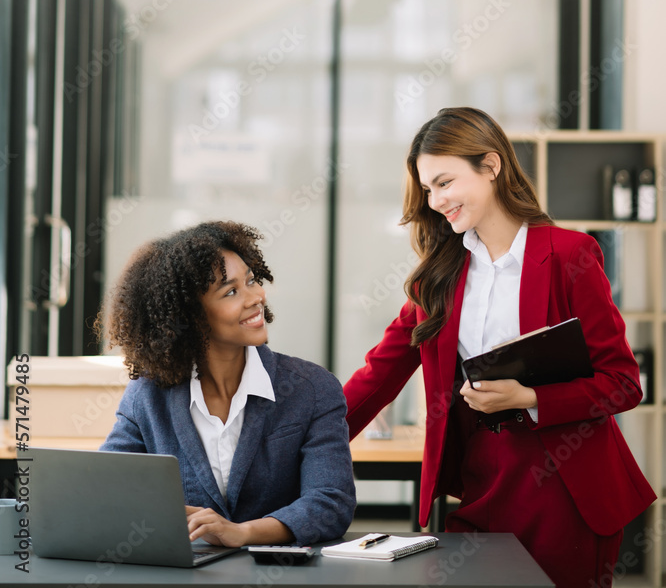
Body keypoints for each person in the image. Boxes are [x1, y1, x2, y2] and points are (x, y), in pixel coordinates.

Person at [343, 107, 655, 588]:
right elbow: (377, 375)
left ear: (491, 166)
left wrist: (528, 398)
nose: (436, 200)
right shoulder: (438, 279)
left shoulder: (569, 255)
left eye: (445, 182)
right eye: (428, 189)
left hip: (565, 487)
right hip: (482, 477)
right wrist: (299, 443)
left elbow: (622, 384)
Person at [97, 220, 355, 547]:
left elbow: (331, 502)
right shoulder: (148, 395)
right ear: (190, 316)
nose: (255, 297)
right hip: (188, 574)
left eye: (251, 281)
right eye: (231, 291)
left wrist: (242, 533)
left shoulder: (312, 388)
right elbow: (105, 488)